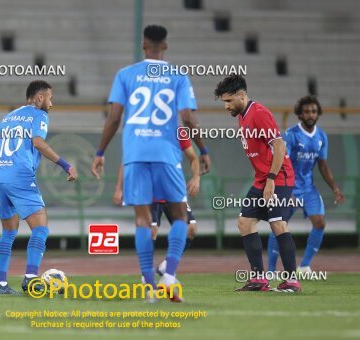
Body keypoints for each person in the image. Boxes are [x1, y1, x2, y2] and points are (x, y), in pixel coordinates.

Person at [92, 24, 207, 302]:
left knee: (142, 221)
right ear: (165, 46)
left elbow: (114, 118)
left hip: (135, 154)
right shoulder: (178, 76)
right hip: (166, 155)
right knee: (181, 217)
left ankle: (147, 286)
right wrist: (203, 149)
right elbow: (188, 119)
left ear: (143, 45)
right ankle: (168, 277)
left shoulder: (125, 75)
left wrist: (100, 152)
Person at [0, 80, 78, 295]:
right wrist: (66, 165)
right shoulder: (39, 115)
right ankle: (31, 278)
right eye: (50, 98)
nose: (51, 104)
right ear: (39, 98)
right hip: (21, 177)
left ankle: (1, 285)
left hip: (0, 178)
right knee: (41, 229)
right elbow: (38, 143)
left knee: (8, 233)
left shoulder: (8, 117)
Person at [214, 75, 301, 293]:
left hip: (277, 177)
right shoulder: (241, 115)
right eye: (224, 101)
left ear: (242, 95)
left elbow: (279, 146)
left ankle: (291, 281)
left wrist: (271, 180)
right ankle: (259, 279)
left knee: (278, 223)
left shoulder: (259, 113)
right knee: (245, 222)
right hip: (262, 179)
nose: (226, 106)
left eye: (229, 101)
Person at [268, 96, 345, 273]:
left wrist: (335, 188)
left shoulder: (321, 136)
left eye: (314, 111)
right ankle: (270, 270)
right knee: (279, 224)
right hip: (289, 187)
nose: (310, 114)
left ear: (318, 114)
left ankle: (304, 265)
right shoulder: (291, 135)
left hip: (308, 188)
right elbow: (280, 161)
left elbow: (323, 165)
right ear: (300, 114)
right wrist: (286, 190)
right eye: (307, 111)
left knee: (319, 222)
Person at [113, 135, 200, 275]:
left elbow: (193, 157)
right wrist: (119, 187)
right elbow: (127, 159)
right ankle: (146, 276)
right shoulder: (144, 130)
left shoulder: (179, 131)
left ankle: (166, 266)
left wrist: (196, 177)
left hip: (173, 191)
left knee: (191, 229)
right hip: (150, 191)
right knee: (151, 232)